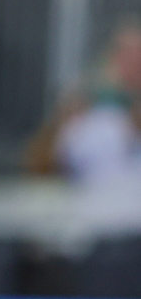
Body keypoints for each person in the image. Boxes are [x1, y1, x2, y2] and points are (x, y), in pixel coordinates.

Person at [26, 21, 141, 185]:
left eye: (138, 56)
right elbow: (44, 159)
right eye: (129, 55)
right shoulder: (86, 102)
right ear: (114, 57)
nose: (135, 63)